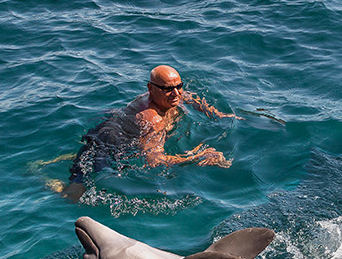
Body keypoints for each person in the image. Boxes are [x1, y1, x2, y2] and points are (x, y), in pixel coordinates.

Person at [67, 65, 234, 189]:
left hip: (117, 123)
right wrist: (197, 157)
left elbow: (192, 100)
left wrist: (224, 116)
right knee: (82, 186)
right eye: (168, 89)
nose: (177, 93)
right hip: (111, 142)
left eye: (179, 86)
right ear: (150, 89)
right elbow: (154, 161)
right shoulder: (153, 119)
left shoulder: (172, 96)